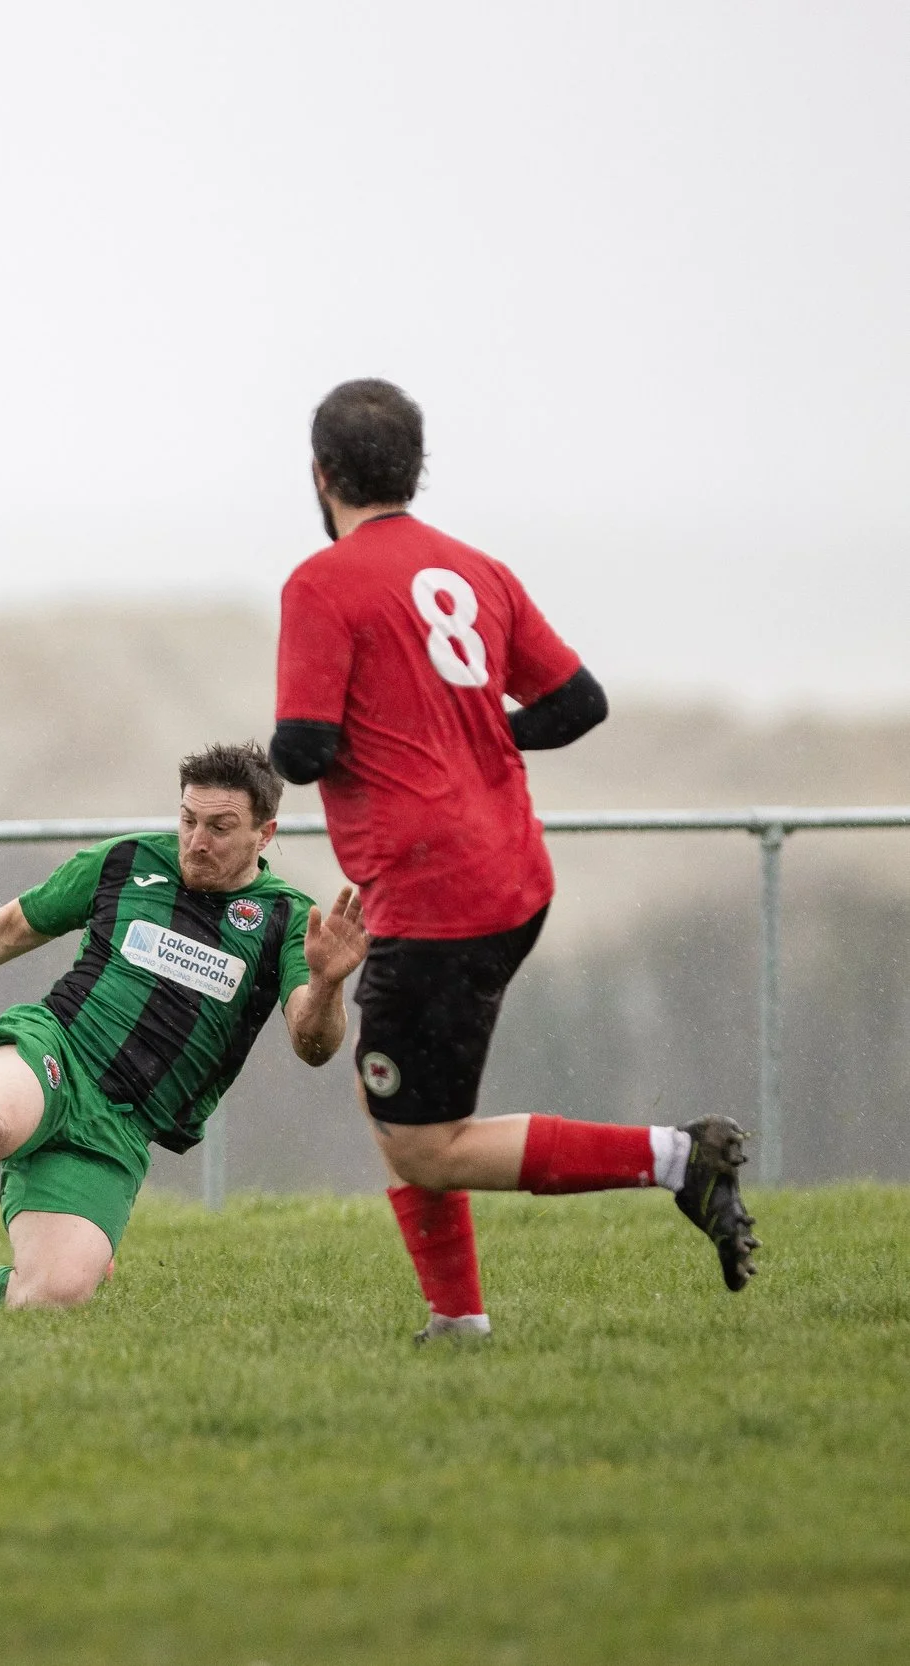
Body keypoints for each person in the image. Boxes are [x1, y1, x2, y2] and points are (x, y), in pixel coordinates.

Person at [269, 378, 757, 1343]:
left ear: (320, 475)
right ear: (415, 469)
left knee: (424, 1145)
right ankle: (456, 1324)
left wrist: (338, 747)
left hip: (434, 892)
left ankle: (678, 1157)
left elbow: (302, 750)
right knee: (403, 1108)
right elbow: (579, 704)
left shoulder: (319, 585)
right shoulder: (478, 570)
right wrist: (471, 736)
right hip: (513, 874)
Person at [0, 745, 367, 1307]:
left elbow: (313, 1044)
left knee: (52, 1297)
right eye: (188, 819)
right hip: (53, 1050)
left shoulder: (287, 917)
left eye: (220, 827)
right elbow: (10, 927)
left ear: (265, 833)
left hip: (123, 1126)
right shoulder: (128, 860)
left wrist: (328, 984)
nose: (196, 841)